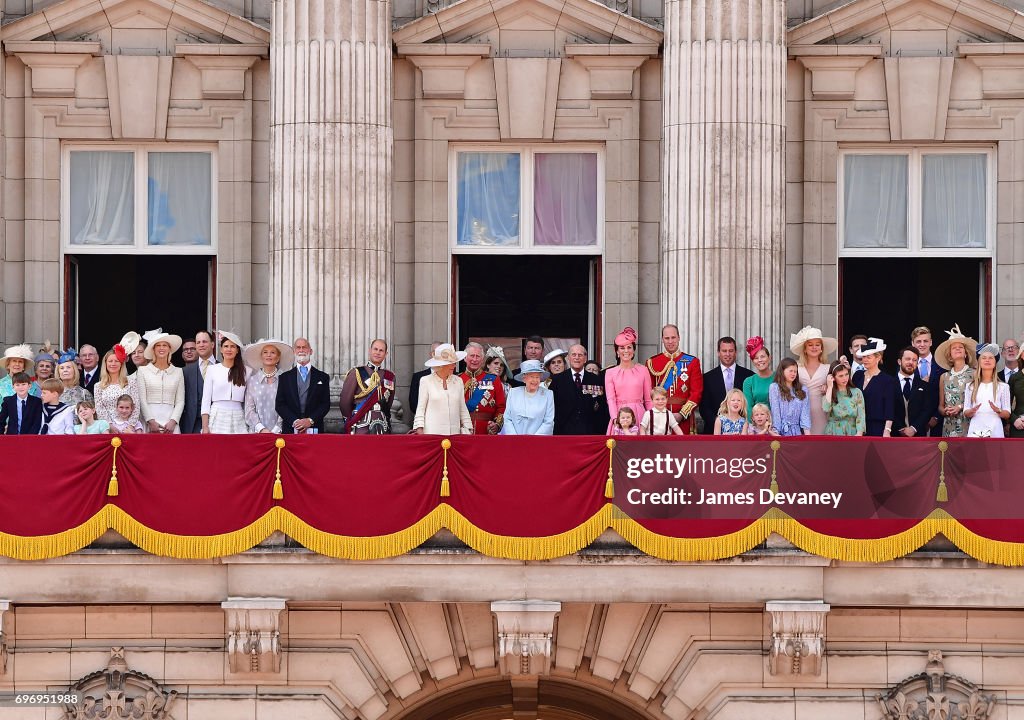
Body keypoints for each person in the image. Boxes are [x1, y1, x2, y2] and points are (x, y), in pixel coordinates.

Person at [646, 324, 702, 434]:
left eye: (673, 337)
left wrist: (682, 414)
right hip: (659, 417)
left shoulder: (692, 362)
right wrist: (659, 413)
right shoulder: (652, 363)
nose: (670, 341)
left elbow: (696, 392)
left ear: (679, 338)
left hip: (683, 418)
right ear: (662, 340)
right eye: (667, 338)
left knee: (683, 450)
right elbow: (649, 392)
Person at [412, 344, 472, 435]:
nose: (454, 366)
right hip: (432, 434)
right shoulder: (426, 381)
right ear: (441, 365)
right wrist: (419, 430)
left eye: (454, 362)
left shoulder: (458, 381)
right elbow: (420, 409)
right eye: (451, 363)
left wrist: (469, 428)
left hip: (454, 434)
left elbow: (462, 408)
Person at [340, 339, 396, 434]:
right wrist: (350, 421)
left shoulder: (390, 376)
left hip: (382, 424)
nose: (378, 352)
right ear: (370, 351)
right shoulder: (356, 372)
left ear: (385, 354)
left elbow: (388, 402)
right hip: (360, 423)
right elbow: (345, 402)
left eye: (381, 350)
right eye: (375, 349)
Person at [276, 337, 331, 434]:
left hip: (315, 428)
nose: (301, 350)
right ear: (294, 351)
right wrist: (295, 421)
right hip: (290, 429)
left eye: (304, 347)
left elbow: (325, 404)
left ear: (311, 351)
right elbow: (280, 405)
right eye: (298, 347)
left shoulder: (323, 377)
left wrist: (310, 420)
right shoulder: (284, 377)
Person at [699, 337, 753, 435]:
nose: (727, 354)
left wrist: (741, 423)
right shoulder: (707, 378)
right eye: (724, 351)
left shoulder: (748, 376)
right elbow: (704, 407)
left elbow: (750, 404)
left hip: (742, 431)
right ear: (718, 352)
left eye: (731, 351)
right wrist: (718, 423)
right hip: (713, 432)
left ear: (736, 352)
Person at [550, 344, 606, 435]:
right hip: (564, 433)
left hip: (590, 433)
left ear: (585, 358)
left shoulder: (596, 379)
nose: (577, 358)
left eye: (580, 355)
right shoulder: (557, 380)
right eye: (574, 355)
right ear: (568, 358)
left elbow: (601, 407)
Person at [791, 326, 836, 435]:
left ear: (821, 348)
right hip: (799, 412)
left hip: (821, 412)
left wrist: (828, 388)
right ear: (805, 349)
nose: (814, 347)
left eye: (817, 345)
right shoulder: (796, 367)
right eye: (810, 345)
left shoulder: (828, 368)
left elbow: (837, 391)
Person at [136, 332, 185, 434]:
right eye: (158, 345)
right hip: (149, 421)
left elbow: (180, 401)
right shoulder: (142, 371)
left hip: (170, 423)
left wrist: (173, 421)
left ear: (169, 349)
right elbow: (141, 399)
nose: (161, 348)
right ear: (153, 349)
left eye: (164, 345)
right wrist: (150, 420)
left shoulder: (178, 372)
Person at [201, 332, 249, 434]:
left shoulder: (247, 371)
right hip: (217, 416)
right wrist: (205, 426)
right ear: (221, 350)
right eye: (226, 346)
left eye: (232, 346)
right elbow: (205, 401)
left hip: (239, 416)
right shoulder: (212, 369)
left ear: (237, 350)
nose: (229, 349)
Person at [607, 327, 653, 434]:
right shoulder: (610, 373)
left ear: (633, 350)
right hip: (620, 417)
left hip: (640, 416)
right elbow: (611, 400)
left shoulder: (643, 370)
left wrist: (651, 419)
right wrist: (615, 419)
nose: (626, 351)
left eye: (629, 347)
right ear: (617, 351)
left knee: (641, 449)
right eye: (622, 348)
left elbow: (648, 399)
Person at [935, 324, 977, 438]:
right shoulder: (944, 376)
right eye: (954, 348)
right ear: (950, 355)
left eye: (961, 347)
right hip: (949, 425)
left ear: (966, 353)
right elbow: (940, 406)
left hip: (968, 423)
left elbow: (978, 400)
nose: (958, 349)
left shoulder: (974, 373)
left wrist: (960, 407)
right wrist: (945, 411)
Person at [243, 339, 292, 434]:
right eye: (265, 352)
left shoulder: (285, 380)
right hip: (256, 433)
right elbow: (249, 409)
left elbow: (287, 407)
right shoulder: (252, 380)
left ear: (278, 358)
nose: (268, 355)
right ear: (261, 357)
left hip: (280, 433)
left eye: (272, 352)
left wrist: (276, 430)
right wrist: (261, 429)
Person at [457, 342, 505, 435]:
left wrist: (496, 424)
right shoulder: (457, 379)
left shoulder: (493, 379)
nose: (475, 359)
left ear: (482, 359)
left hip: (486, 430)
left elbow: (501, 407)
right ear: (465, 358)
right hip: (462, 429)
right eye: (472, 356)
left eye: (478, 356)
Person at [852, 338, 896, 437]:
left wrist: (887, 430)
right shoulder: (858, 375)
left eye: (868, 357)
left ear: (878, 358)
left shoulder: (887, 380)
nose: (865, 360)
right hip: (857, 427)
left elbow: (889, 407)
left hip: (877, 428)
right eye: (863, 357)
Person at [965, 343, 1011, 438]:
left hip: (995, 429)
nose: (987, 360)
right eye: (984, 357)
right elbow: (966, 411)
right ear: (979, 361)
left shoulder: (1003, 386)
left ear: (995, 362)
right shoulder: (970, 386)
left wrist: (998, 410)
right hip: (975, 428)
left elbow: (1007, 413)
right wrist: (972, 411)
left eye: (991, 358)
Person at [501, 359, 555, 435]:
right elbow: (507, 419)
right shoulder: (513, 393)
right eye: (532, 376)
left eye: (537, 377)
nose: (535, 380)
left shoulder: (548, 394)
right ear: (524, 379)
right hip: (514, 441)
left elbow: (548, 422)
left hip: (538, 442)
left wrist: (533, 441)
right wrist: (514, 438)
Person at [892, 346, 933, 438]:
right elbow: (888, 408)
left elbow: (927, 410)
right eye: (907, 359)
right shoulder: (889, 384)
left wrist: (914, 428)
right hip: (894, 436)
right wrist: (900, 429)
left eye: (914, 360)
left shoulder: (925, 386)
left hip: (918, 436)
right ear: (899, 361)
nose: (911, 362)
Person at [911, 326, 945, 436]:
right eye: (918, 341)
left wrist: (936, 417)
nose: (922, 344)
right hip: (914, 423)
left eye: (925, 341)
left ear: (931, 342)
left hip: (937, 422)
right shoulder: (906, 365)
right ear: (913, 343)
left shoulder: (942, 364)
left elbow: (946, 393)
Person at [182, 330, 218, 434]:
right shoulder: (185, 371)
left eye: (204, 342)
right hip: (192, 424)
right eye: (198, 342)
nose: (201, 345)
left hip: (217, 421)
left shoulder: (223, 368)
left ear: (212, 344)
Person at [95, 348, 141, 428]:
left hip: (129, 428)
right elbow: (99, 409)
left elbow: (136, 406)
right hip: (107, 428)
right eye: (110, 361)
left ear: (121, 363)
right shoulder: (98, 386)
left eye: (116, 361)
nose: (113, 364)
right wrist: (110, 426)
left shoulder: (131, 382)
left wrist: (129, 426)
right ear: (105, 363)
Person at [768, 358, 811, 437]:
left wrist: (808, 436)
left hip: (797, 432)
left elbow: (805, 414)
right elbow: (775, 412)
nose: (793, 374)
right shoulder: (774, 387)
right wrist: (776, 433)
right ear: (782, 371)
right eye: (790, 371)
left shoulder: (803, 389)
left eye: (795, 371)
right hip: (780, 432)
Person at [822, 359, 865, 436]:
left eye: (846, 374)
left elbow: (861, 416)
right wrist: (830, 386)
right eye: (840, 376)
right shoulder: (829, 393)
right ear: (833, 377)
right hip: (833, 432)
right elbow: (826, 408)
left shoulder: (856, 392)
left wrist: (859, 434)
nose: (845, 378)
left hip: (852, 431)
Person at [408, 342, 441, 420]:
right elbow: (413, 404)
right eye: (434, 352)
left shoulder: (453, 377)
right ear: (430, 354)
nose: (437, 355)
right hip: (425, 421)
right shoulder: (418, 377)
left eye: (440, 353)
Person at [56, 349, 92, 419]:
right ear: (58, 372)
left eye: (68, 367)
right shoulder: (54, 393)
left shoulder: (84, 393)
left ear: (74, 370)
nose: (65, 370)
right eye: (62, 368)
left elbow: (92, 417)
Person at [742, 336, 774, 411]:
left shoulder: (779, 377)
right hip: (756, 421)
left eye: (762, 357)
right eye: (756, 358)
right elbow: (748, 408)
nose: (760, 360)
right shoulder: (749, 382)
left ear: (769, 358)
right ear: (753, 362)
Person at [1010, 349, 1024, 438]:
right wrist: (1014, 419)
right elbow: (1005, 404)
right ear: (1022, 355)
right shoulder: (1014, 378)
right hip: (1019, 426)